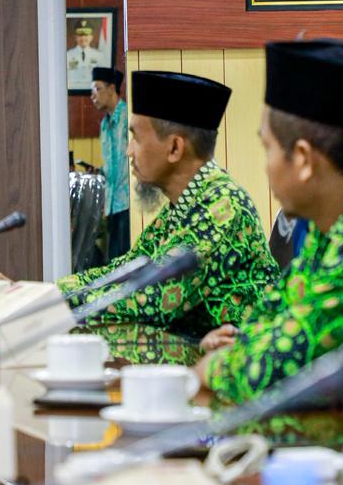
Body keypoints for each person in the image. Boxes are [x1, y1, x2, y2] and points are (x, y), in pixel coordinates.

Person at [197, 39, 343, 401]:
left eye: (268, 148)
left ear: (303, 159)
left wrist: (216, 366)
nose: (267, 165)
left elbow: (277, 368)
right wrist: (240, 344)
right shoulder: (341, 213)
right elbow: (277, 313)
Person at [57, 70, 277, 337]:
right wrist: (49, 291)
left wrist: (55, 303)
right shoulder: (183, 205)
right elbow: (124, 270)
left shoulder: (223, 207)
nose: (129, 151)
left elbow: (152, 300)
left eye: (136, 138)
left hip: (232, 357)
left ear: (175, 148)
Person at [90, 66, 130, 260]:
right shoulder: (104, 125)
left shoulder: (128, 117)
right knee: (114, 261)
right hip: (112, 205)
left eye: (97, 89)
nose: (92, 96)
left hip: (128, 203)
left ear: (112, 88)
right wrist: (100, 171)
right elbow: (113, 164)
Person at [67, 21, 106, 87]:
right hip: (73, 90)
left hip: (92, 90)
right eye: (80, 35)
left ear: (91, 37)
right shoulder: (68, 55)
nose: (83, 38)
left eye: (86, 35)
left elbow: (103, 77)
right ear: (75, 37)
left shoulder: (99, 56)